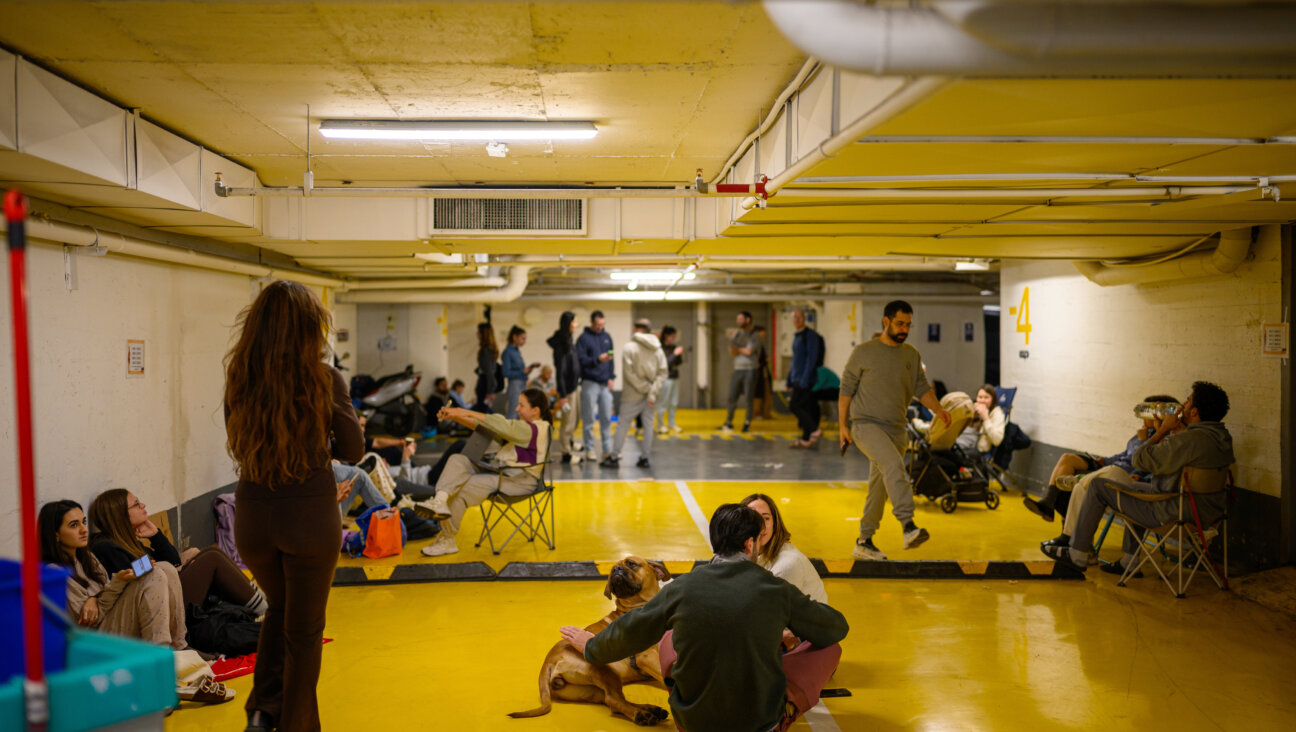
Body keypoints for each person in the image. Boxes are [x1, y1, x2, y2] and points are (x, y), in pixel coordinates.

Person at [560, 504, 848, 732]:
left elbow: (631, 631)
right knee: (830, 649)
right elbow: (836, 628)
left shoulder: (682, 588)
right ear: (749, 545)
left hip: (692, 723)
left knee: (669, 637)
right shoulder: (776, 589)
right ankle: (784, 710)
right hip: (759, 724)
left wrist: (590, 645)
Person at [224, 280, 364, 732]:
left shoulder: (240, 376)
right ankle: (295, 726)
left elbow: (237, 439)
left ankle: (263, 711)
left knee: (279, 612)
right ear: (310, 328)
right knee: (304, 636)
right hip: (308, 516)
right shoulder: (324, 379)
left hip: (253, 514)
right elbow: (354, 449)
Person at [1043, 382, 1235, 577]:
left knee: (1098, 486)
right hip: (1208, 514)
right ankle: (1129, 561)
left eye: (1187, 402)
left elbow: (1140, 459)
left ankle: (1078, 554)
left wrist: (1161, 431)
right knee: (1135, 489)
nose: (1182, 406)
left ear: (1194, 412)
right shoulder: (1222, 438)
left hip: (1174, 512)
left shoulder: (1189, 441)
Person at [840, 300, 950, 561]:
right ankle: (908, 525)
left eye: (908, 325)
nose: (904, 329)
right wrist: (843, 426)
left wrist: (939, 409)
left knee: (879, 486)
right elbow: (845, 391)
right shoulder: (863, 352)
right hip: (865, 425)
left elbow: (921, 389)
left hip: (897, 429)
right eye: (900, 324)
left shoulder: (911, 355)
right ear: (885, 322)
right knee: (892, 466)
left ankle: (864, 541)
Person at [415, 388, 552, 557]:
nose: (516, 409)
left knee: (462, 489)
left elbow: (500, 424)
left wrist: (460, 411)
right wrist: (456, 417)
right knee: (458, 459)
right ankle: (439, 500)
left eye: (521, 405)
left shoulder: (535, 429)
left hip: (520, 481)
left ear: (535, 410)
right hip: (504, 473)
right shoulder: (524, 429)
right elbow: (486, 426)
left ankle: (447, 539)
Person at [88, 488, 267, 616]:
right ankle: (263, 609)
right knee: (211, 558)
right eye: (136, 504)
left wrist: (156, 535)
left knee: (207, 552)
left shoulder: (126, 540)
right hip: (155, 607)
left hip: (164, 591)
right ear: (121, 515)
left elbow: (173, 562)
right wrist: (159, 565)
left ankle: (257, 603)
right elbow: (132, 575)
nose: (142, 505)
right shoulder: (106, 546)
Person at [40, 500, 189, 650]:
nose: (84, 529)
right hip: (94, 639)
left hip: (111, 617)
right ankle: (159, 658)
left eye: (84, 522)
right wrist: (116, 583)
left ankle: (180, 647)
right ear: (56, 534)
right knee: (155, 574)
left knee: (165, 567)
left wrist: (99, 595)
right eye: (74, 525)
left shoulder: (87, 557)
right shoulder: (57, 573)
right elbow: (89, 621)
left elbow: (106, 592)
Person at [1023, 394, 1178, 523]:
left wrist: (1145, 441)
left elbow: (1144, 462)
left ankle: (1067, 529)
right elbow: (1124, 455)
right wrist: (1105, 460)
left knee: (1072, 486)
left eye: (1148, 412)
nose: (1143, 416)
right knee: (1067, 459)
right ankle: (1048, 504)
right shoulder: (1141, 433)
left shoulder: (1161, 439)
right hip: (1109, 466)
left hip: (1120, 474)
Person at [740, 493, 827, 605]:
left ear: (775, 524)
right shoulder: (751, 555)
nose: (760, 525)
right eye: (753, 518)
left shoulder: (787, 565)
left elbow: (769, 612)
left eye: (766, 518)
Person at [606, 318, 668, 468]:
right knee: (648, 426)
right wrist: (651, 391)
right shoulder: (658, 349)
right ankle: (645, 458)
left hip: (632, 395)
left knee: (623, 425)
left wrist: (644, 388)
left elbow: (629, 374)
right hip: (651, 397)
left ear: (635, 329)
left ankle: (614, 457)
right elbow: (663, 372)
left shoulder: (629, 348)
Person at [576, 310, 615, 461]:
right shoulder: (583, 339)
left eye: (602, 324)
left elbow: (612, 359)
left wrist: (611, 377)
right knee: (589, 418)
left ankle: (606, 449)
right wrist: (597, 360)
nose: (600, 327)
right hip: (589, 383)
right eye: (597, 324)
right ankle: (590, 449)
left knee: (606, 417)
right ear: (591, 323)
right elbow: (581, 360)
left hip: (604, 383)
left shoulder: (607, 337)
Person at [547, 311, 582, 464]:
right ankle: (565, 453)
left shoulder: (569, 340)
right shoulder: (561, 344)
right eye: (574, 322)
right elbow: (560, 371)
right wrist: (562, 395)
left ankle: (570, 443)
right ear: (568, 324)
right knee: (567, 422)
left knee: (575, 419)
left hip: (574, 387)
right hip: (566, 390)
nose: (576, 325)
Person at [787, 309, 825, 448]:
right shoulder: (797, 336)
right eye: (794, 317)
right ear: (791, 320)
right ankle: (806, 439)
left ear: (804, 318)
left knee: (794, 405)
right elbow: (795, 360)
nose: (796, 319)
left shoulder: (810, 336)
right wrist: (789, 379)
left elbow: (812, 359)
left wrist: (805, 379)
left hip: (806, 379)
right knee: (806, 407)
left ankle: (815, 430)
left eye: (799, 317)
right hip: (797, 377)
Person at [720, 311, 760, 433]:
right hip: (737, 369)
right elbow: (732, 352)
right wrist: (740, 349)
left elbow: (750, 351)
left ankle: (747, 423)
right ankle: (729, 422)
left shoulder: (755, 335)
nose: (738, 321)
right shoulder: (736, 334)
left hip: (750, 369)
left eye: (741, 319)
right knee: (732, 396)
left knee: (748, 397)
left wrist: (738, 349)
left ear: (748, 320)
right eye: (737, 319)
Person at [954, 384, 1006, 454]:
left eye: (986, 397)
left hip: (977, 451)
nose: (982, 401)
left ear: (993, 400)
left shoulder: (997, 413)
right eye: (980, 397)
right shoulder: (975, 409)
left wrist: (986, 417)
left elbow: (997, 440)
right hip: (964, 442)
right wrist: (971, 415)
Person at [502, 325, 539, 419]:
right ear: (514, 337)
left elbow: (521, 370)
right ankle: (508, 433)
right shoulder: (507, 352)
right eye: (522, 338)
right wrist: (522, 372)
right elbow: (506, 372)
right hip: (515, 385)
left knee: (521, 413)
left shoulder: (517, 351)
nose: (524, 341)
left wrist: (527, 371)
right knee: (513, 412)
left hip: (522, 384)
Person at [655, 325, 685, 435]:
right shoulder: (660, 348)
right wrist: (675, 354)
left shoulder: (674, 347)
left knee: (673, 402)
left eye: (674, 336)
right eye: (671, 336)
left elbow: (678, 362)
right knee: (663, 402)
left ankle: (672, 423)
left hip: (674, 376)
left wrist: (678, 355)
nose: (673, 338)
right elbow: (664, 364)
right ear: (666, 336)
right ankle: (660, 425)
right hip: (665, 378)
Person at [473, 322, 500, 413]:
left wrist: (490, 391)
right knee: (483, 409)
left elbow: (489, 372)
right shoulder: (490, 349)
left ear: (483, 334)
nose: (477, 334)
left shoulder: (486, 351)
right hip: (486, 382)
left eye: (479, 332)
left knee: (481, 411)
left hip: (485, 383)